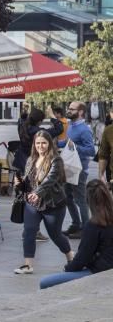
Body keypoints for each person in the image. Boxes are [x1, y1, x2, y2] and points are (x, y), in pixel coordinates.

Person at [12, 131, 73, 274]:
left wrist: (37, 193)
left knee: (55, 235)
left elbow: (49, 181)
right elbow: (27, 183)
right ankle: (28, 265)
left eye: (44, 143)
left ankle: (70, 256)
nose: (41, 146)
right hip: (32, 204)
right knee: (29, 231)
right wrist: (19, 184)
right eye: (38, 143)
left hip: (53, 204)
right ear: (34, 144)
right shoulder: (30, 160)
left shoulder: (56, 160)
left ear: (49, 144)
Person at [40, 180, 113, 289]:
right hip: (107, 268)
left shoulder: (93, 225)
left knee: (45, 282)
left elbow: (82, 259)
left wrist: (67, 269)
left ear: (89, 201)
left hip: (99, 272)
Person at [63, 101, 96, 239]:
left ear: (81, 112)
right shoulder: (71, 125)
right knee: (67, 198)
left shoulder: (85, 129)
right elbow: (68, 143)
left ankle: (86, 229)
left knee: (80, 200)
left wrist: (75, 147)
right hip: (68, 167)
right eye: (68, 108)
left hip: (79, 170)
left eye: (72, 109)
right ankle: (76, 224)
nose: (68, 110)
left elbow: (91, 151)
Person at [14, 107, 63, 172]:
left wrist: (27, 113)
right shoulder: (38, 131)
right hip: (32, 161)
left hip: (21, 159)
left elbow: (22, 118)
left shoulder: (21, 125)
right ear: (39, 121)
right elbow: (59, 129)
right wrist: (52, 116)